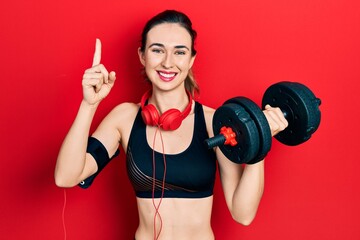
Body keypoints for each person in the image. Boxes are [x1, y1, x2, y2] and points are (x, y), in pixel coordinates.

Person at [55, 10, 288, 240]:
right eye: (157, 50)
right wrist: (88, 105)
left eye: (179, 52)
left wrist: (261, 142)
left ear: (191, 59)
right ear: (142, 55)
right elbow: (66, 177)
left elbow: (243, 214)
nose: (168, 62)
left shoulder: (214, 122)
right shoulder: (124, 119)